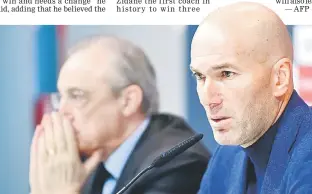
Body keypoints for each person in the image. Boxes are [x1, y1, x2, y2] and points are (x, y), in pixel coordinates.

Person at [190, 2, 312, 194]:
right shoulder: (227, 156)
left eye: (226, 74)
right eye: (200, 76)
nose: (208, 99)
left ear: (279, 78)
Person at [29, 35, 210, 194]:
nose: (62, 112)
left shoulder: (175, 164)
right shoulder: (84, 160)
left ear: (128, 101)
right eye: (60, 97)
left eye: (77, 96)